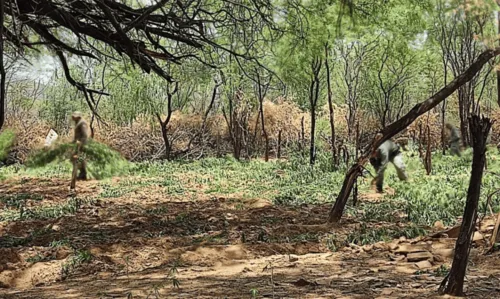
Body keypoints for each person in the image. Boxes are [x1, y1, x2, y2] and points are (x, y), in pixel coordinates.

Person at [71, 111, 89, 180]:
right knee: (77, 159)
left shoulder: (82, 123)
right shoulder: (78, 123)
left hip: (82, 144)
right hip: (78, 144)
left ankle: (83, 174)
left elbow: (85, 135)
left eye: (74, 117)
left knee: (80, 159)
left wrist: (81, 143)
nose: (73, 118)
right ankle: (81, 173)